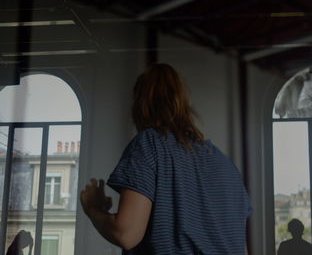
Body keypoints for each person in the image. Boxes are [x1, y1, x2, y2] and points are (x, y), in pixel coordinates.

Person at [80, 63, 252, 254]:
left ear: (139, 105)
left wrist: (93, 209)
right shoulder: (227, 165)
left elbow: (126, 234)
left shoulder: (149, 144)